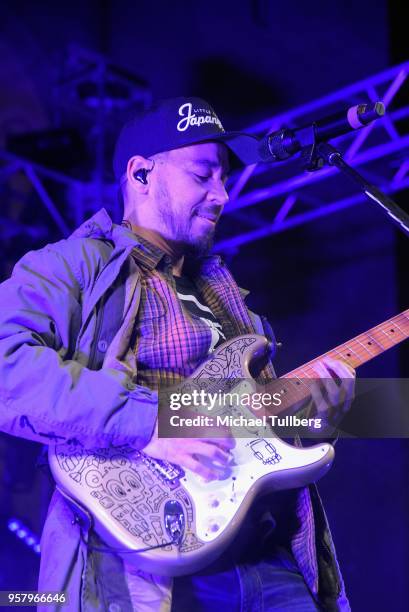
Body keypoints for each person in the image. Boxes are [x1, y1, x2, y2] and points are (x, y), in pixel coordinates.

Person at [0, 97, 355, 611]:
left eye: (225, 178)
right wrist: (154, 421)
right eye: (203, 175)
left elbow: (250, 428)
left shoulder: (226, 295)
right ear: (142, 174)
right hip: (143, 561)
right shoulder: (71, 266)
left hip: (270, 556)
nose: (223, 195)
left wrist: (316, 415)